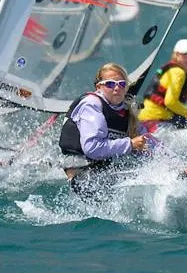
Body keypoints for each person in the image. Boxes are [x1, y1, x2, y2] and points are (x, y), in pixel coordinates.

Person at [59, 62, 146, 198]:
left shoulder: (127, 111)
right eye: (110, 84)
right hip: (81, 173)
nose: (117, 88)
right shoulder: (92, 105)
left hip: (103, 168)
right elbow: (92, 148)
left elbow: (148, 142)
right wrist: (129, 144)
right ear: (99, 87)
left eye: (122, 84)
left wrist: (174, 165)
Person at [138, 38, 187, 130]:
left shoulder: (170, 70)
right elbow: (170, 102)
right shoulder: (179, 73)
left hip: (144, 120)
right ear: (177, 55)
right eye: (185, 54)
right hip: (156, 123)